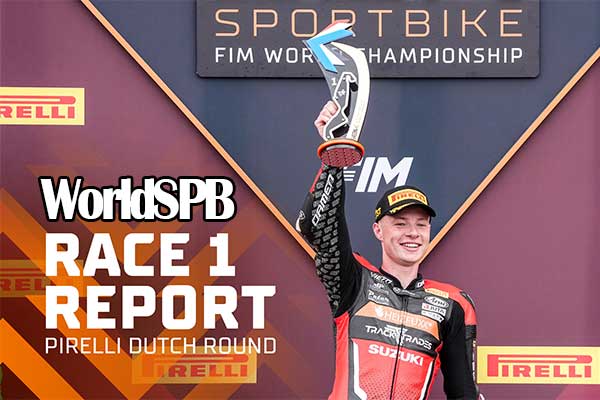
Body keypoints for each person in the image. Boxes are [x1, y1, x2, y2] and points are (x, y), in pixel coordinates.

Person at [296, 101, 482, 400]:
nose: (412, 233)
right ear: (378, 230)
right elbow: (318, 228)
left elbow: (464, 394)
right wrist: (334, 151)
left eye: (421, 224)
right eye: (400, 223)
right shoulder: (354, 282)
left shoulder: (453, 304)